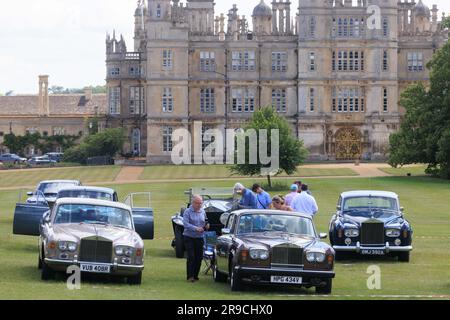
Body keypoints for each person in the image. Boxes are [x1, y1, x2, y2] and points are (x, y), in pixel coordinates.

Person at [183, 195, 210, 283]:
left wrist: (206, 226)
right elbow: (185, 224)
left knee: (199, 257)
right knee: (191, 256)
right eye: (197, 203)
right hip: (189, 237)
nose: (199, 205)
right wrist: (196, 228)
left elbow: (205, 221)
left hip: (200, 237)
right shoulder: (187, 211)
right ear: (193, 203)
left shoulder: (203, 211)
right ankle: (190, 276)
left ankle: (195, 275)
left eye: (201, 203)